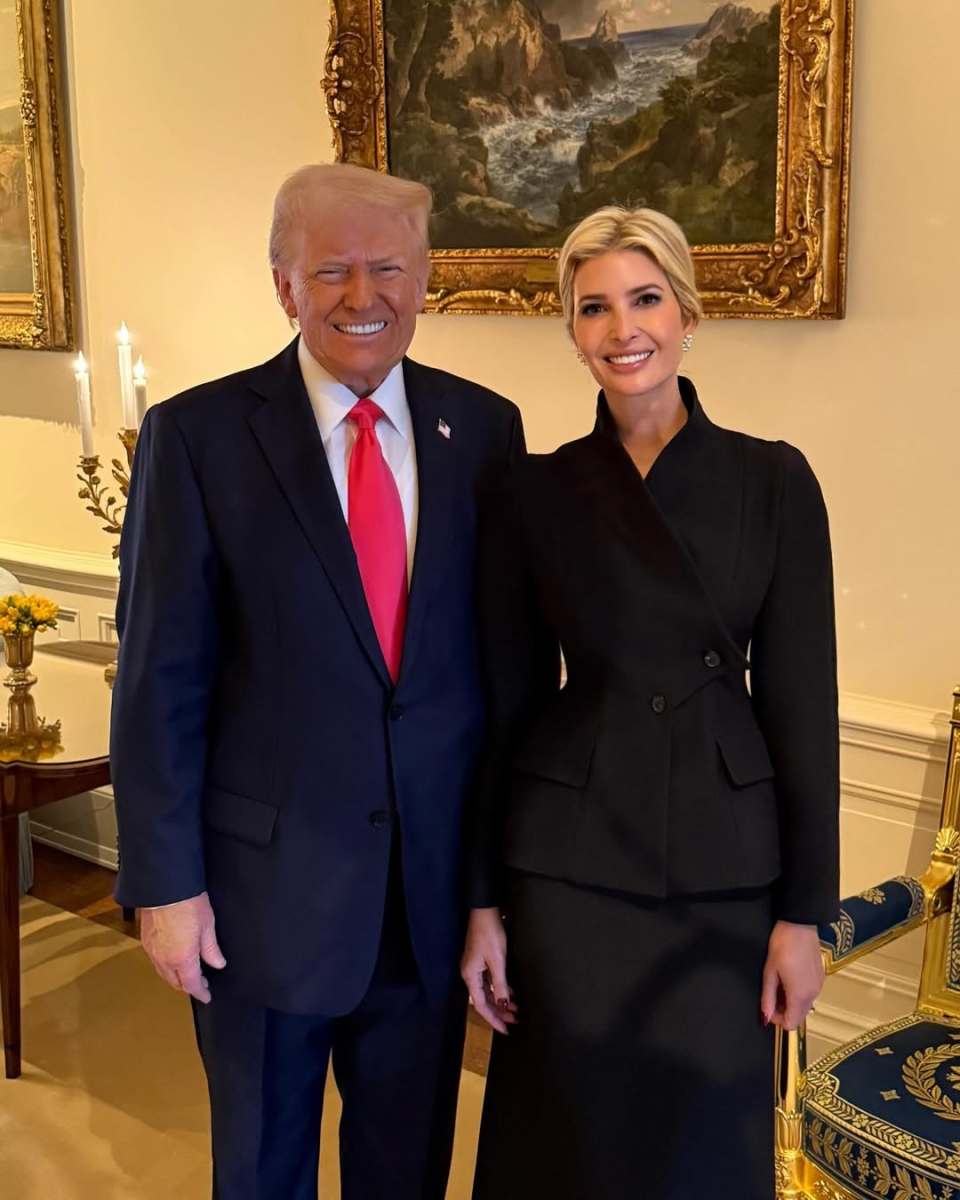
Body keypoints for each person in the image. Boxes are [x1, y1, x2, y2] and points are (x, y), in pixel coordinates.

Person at [110, 162, 524, 1200]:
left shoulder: (483, 432)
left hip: (423, 906)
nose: (362, 295)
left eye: (387, 267)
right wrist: (164, 886)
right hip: (259, 906)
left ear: (426, 279)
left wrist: (490, 892)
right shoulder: (198, 438)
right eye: (330, 269)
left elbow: (502, 685)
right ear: (284, 285)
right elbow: (161, 677)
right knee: (262, 1171)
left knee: (407, 1172)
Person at [462, 206, 839, 1199]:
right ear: (573, 329)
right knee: (565, 1146)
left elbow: (802, 707)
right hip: (569, 869)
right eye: (595, 307)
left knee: (700, 1156)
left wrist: (805, 918)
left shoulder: (774, 480)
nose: (622, 327)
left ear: (687, 312)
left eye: (644, 298)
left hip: (723, 874)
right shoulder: (532, 491)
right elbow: (503, 703)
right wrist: (483, 903)